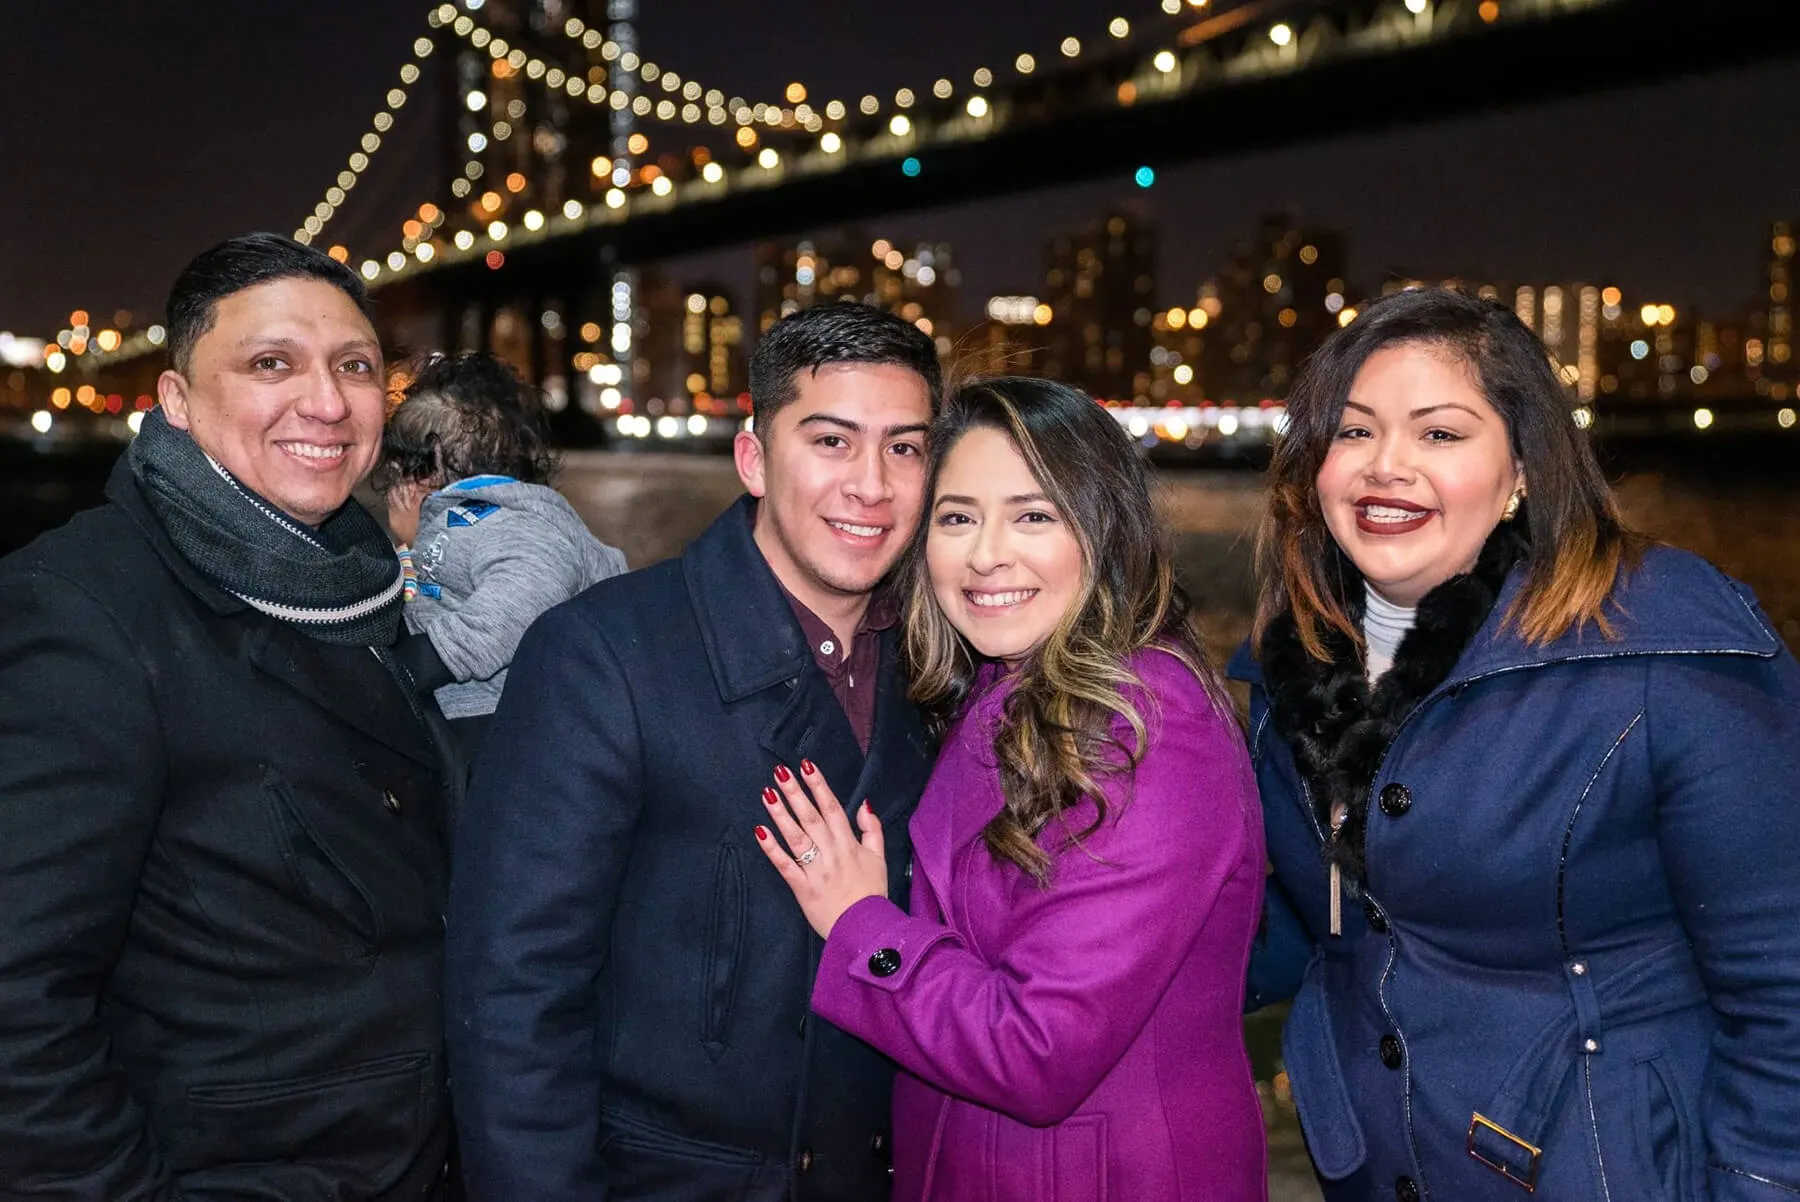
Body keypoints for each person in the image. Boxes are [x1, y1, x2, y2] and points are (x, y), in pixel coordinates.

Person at [1230, 286, 1800, 1200]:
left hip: (1610, 1171)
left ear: (1524, 468)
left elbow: (1784, 989)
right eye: (1353, 431)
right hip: (1377, 1168)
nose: (1387, 467)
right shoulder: (1291, 666)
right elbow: (1326, 921)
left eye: (1441, 435)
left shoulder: (1666, 651)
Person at [446, 302, 943, 1200]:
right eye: (831, 441)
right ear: (753, 458)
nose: (872, 485)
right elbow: (515, 1001)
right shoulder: (604, 655)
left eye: (904, 448)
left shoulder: (947, 669)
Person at [0, 233, 457, 1197]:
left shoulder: (356, 585)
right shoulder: (84, 611)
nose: (327, 402)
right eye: (270, 364)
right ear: (176, 402)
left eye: (356, 366)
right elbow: (18, 1001)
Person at [756, 378, 1269, 1201]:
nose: (986, 553)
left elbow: (1037, 1050)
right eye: (957, 518)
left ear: (1104, 528)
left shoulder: (1151, 730)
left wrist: (862, 927)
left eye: (1034, 515)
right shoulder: (1010, 686)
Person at [373, 350, 627, 757]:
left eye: (402, 464)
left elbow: (526, 592)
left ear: (431, 464)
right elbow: (419, 599)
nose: (395, 480)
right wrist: (408, 545)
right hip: (457, 715)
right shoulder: (455, 521)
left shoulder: (517, 522)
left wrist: (427, 658)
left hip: (509, 724)